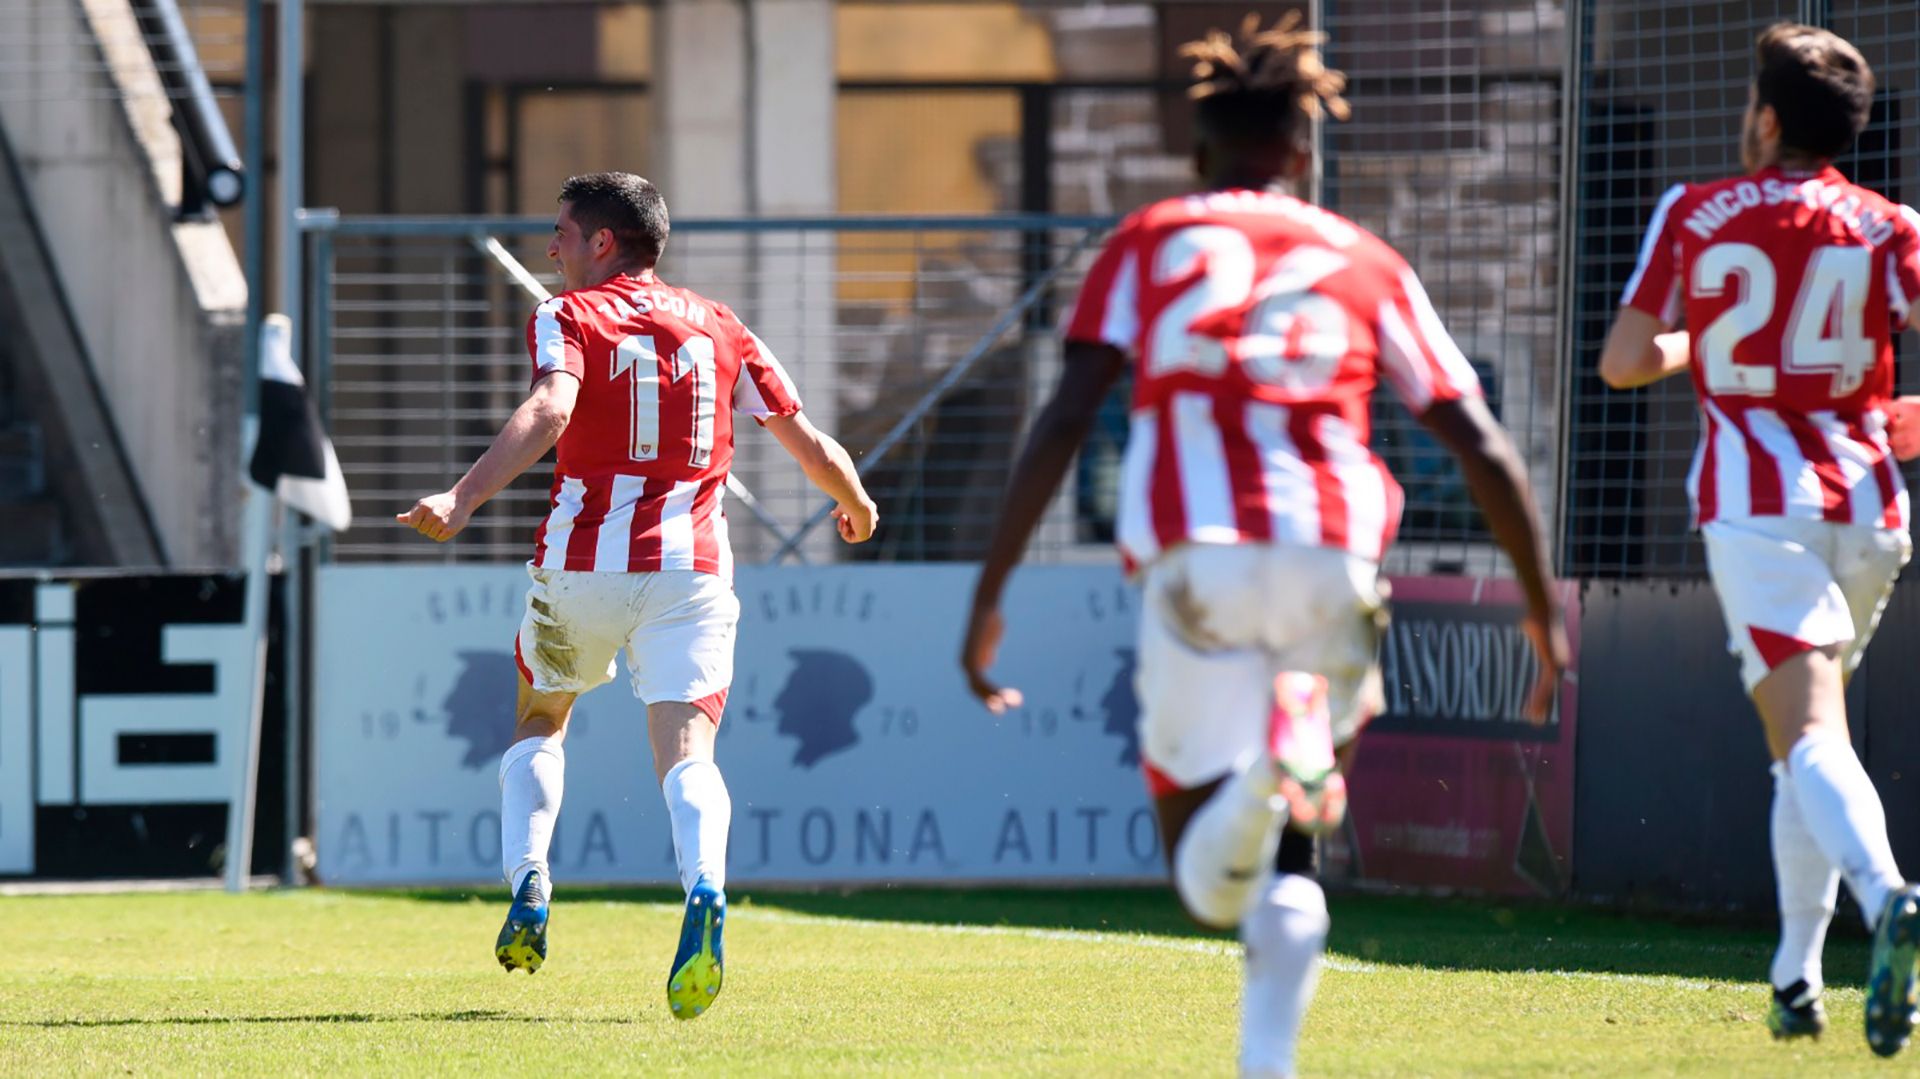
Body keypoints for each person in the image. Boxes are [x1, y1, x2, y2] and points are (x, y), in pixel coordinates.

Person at [959, 16, 1567, 1079]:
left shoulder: (1148, 241)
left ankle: (1266, 776)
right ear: (1301, 150)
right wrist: (1539, 603)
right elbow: (1477, 438)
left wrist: (990, 593)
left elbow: (1064, 418)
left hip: (1201, 560)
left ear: (1198, 151)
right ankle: (1267, 1049)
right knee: (1295, 851)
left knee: (1206, 884)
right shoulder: (1366, 258)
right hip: (1334, 560)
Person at [397, 172, 879, 1019]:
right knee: (689, 749)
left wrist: (463, 497)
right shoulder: (723, 324)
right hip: (691, 574)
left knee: (541, 718)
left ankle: (530, 877)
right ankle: (706, 885)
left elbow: (551, 409)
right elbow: (806, 439)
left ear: (602, 241)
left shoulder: (567, 316)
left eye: (562, 231)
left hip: (581, 567)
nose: (552, 246)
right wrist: (857, 501)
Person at [1601, 22, 1920, 1056]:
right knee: (1804, 745)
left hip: (1760, 509)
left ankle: (1888, 898)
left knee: (1811, 734)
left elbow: (1622, 362)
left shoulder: (1693, 211)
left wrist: (1708, 336)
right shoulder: (1890, 225)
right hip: (1870, 511)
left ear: (1768, 119)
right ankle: (1794, 976)